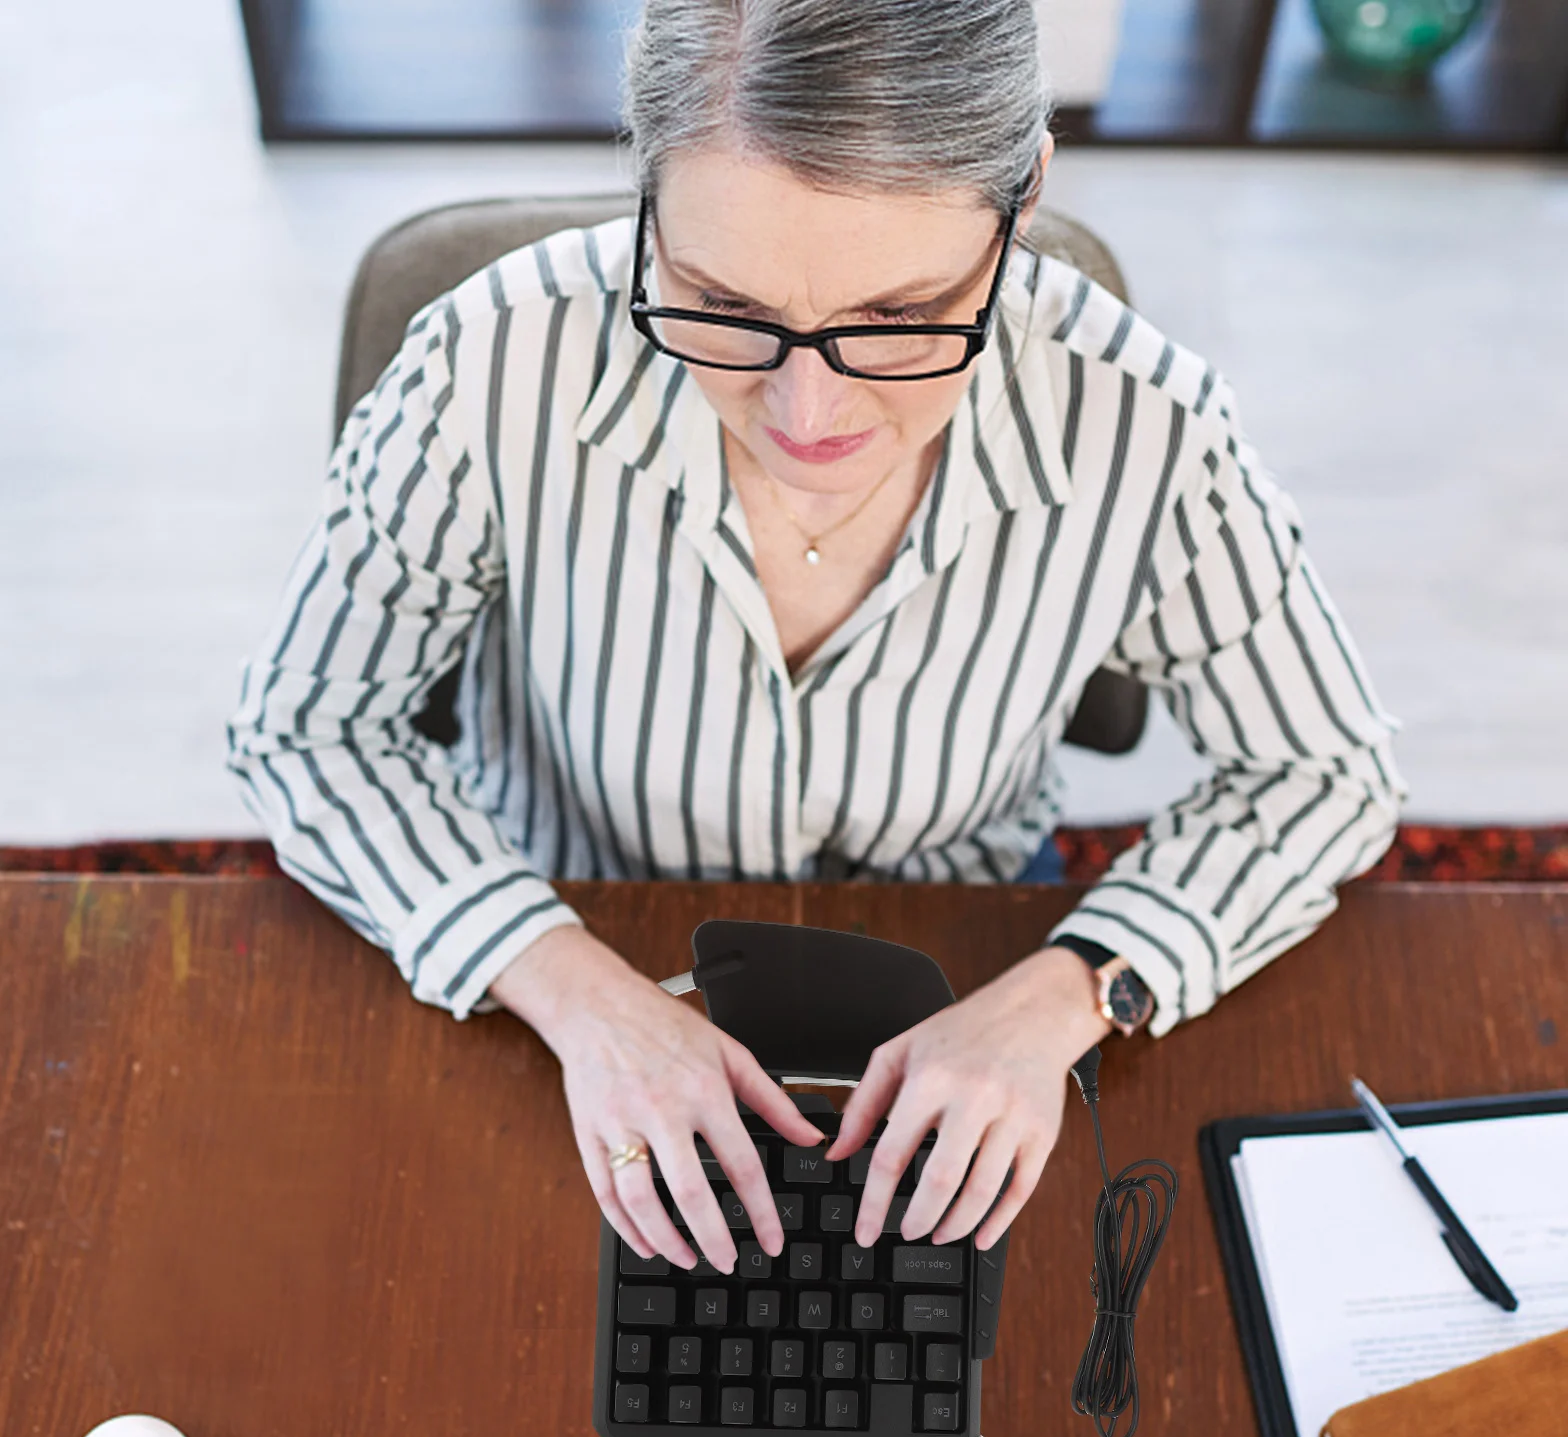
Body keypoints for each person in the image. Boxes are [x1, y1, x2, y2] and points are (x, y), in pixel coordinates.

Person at [227, 0, 1403, 1285]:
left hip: (967, 965)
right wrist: (579, 996)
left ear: (1025, 192)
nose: (807, 412)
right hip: (559, 949)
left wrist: (1063, 995)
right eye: (720, 302)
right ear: (647, 192)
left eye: (899, 318)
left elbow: (1326, 771)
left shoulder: (1146, 423)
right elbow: (307, 728)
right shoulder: (489, 361)